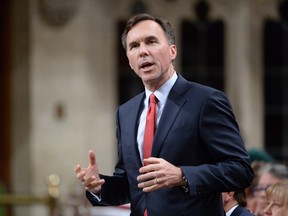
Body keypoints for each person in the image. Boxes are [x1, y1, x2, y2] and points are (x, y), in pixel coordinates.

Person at [74, 13, 254, 216]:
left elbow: (241, 170)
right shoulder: (125, 113)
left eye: (151, 42)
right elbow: (132, 185)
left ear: (172, 51)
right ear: (129, 60)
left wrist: (182, 175)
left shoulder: (206, 101)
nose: (143, 52)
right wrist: (98, 187)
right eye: (134, 46)